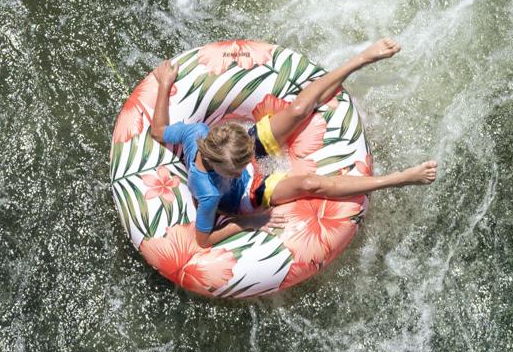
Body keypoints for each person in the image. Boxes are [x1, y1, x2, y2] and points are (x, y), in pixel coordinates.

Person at [149, 37, 437, 248]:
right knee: (311, 184)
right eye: (243, 164)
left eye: (249, 155)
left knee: (298, 111)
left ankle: (362, 59)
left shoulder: (196, 133)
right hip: (246, 195)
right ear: (229, 170)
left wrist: (164, 84)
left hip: (233, 153)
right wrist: (247, 222)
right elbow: (203, 240)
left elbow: (158, 131)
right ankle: (399, 179)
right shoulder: (209, 195)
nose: (251, 161)